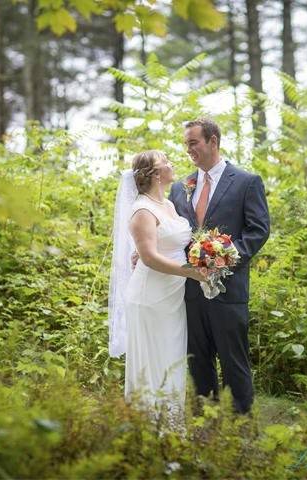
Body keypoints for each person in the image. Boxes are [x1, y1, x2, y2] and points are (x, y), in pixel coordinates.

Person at [169, 118, 270, 414]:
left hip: (229, 289)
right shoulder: (180, 187)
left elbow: (258, 230)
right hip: (189, 289)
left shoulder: (246, 182)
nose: (188, 149)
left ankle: (241, 425)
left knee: (233, 359)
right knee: (197, 358)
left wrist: (223, 258)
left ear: (213, 141)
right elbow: (171, 230)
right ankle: (206, 419)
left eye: (193, 142)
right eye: (186, 143)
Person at [108, 150, 207, 424]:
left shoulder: (168, 205)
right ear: (154, 174)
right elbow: (150, 257)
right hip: (150, 296)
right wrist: (192, 273)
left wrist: (206, 255)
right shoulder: (142, 210)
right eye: (166, 163)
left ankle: (171, 426)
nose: (172, 165)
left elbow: (170, 244)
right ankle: (147, 428)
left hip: (172, 297)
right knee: (152, 362)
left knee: (171, 359)